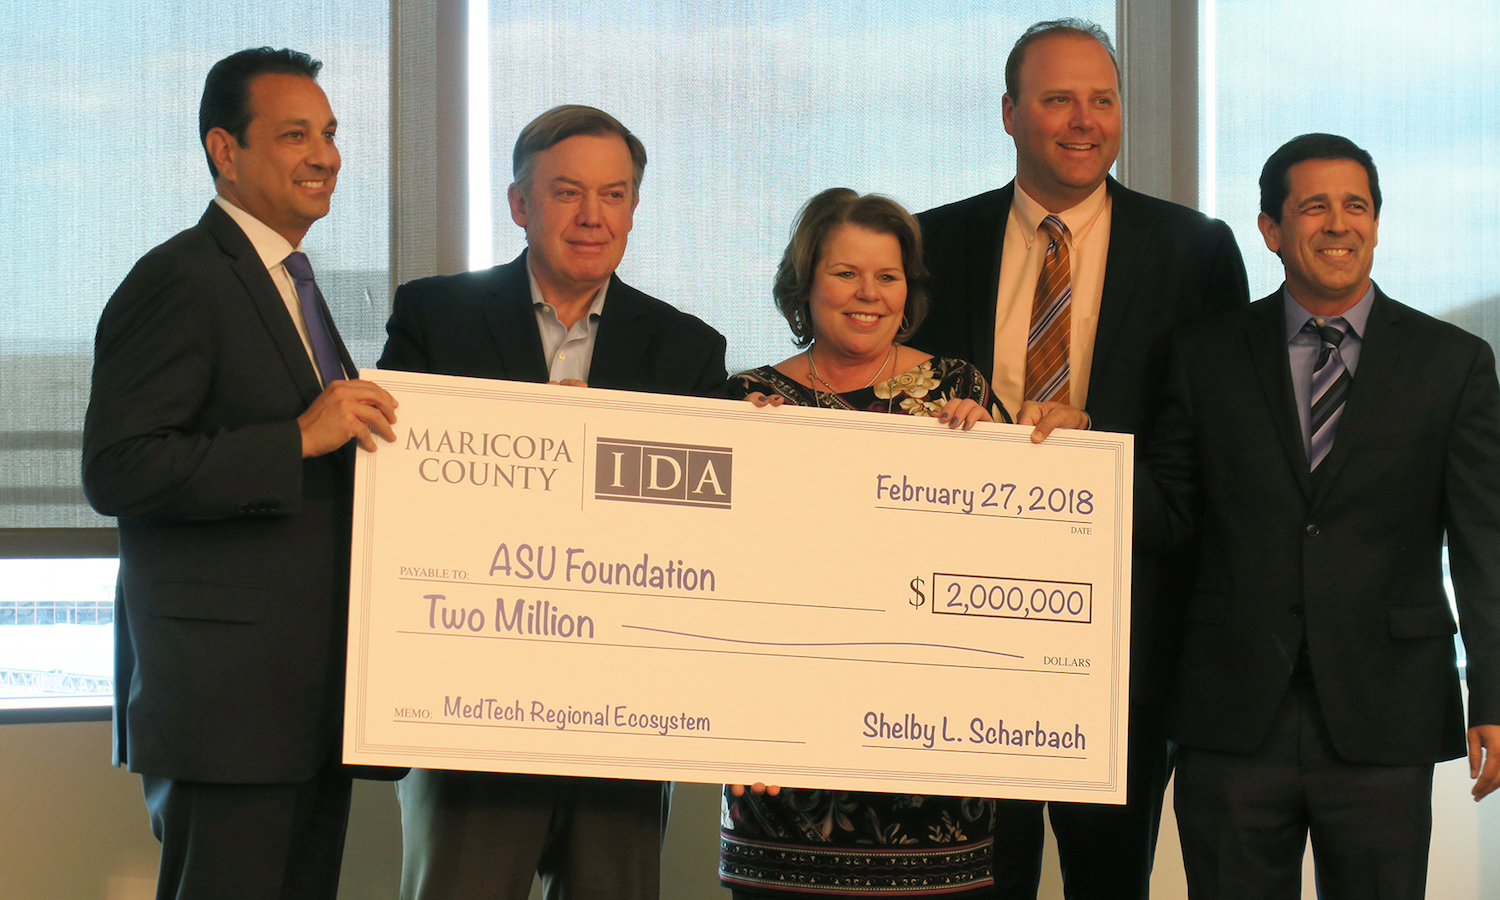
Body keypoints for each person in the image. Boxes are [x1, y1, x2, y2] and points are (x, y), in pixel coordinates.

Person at [908, 18, 1250, 898]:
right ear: (1011, 113)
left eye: (1102, 100)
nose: (1083, 120)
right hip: (962, 633)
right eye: (1058, 99)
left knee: (1110, 881)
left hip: (1127, 638)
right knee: (977, 881)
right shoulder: (927, 247)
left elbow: (1222, 450)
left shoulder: (1196, 251)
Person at [378, 104, 727, 900]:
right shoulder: (437, 318)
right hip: (471, 700)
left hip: (625, 703)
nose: (592, 215)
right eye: (568, 191)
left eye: (615, 194)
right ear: (519, 204)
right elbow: (392, 485)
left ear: (635, 209)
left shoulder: (687, 348)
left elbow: (713, 530)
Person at [1138, 133, 1500, 899]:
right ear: (1271, 230)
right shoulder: (1202, 356)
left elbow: (1484, 543)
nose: (1338, 224)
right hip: (1229, 713)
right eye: (1313, 206)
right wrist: (1076, 462)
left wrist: (1495, 695)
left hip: (1384, 713)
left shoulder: (1454, 364)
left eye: (1356, 205)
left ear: (1376, 223)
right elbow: (1165, 517)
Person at [81, 47, 399, 900]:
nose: (325, 154)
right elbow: (118, 469)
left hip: (309, 702)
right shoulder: (179, 278)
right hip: (227, 710)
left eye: (329, 133)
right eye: (295, 134)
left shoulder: (293, 284)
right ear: (226, 150)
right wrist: (294, 438)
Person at [718, 187, 1004, 899]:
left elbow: (1007, 570)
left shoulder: (960, 394)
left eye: (888, 275)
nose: (868, 293)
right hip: (777, 775)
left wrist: (997, 452)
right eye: (845, 273)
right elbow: (710, 586)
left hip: (933, 777)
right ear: (805, 282)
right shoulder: (742, 403)